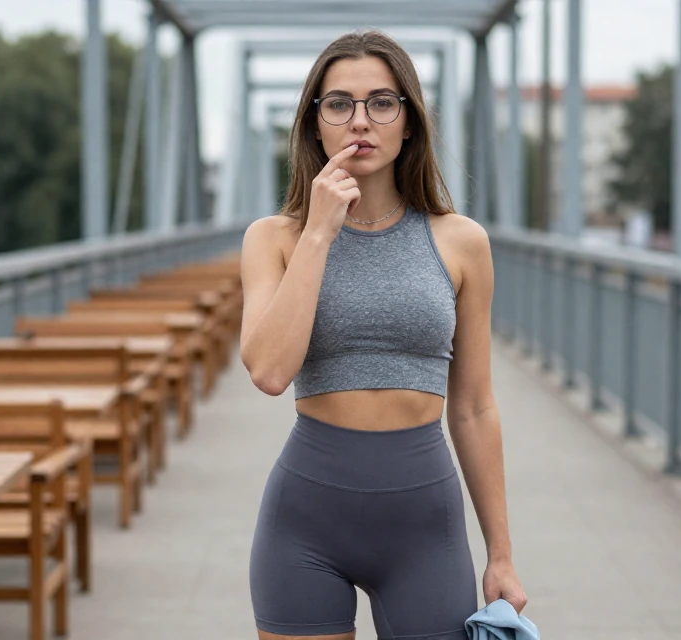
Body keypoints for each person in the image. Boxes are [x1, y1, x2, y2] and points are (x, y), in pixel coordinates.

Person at [239, 29, 528, 640]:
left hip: (425, 524)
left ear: (409, 123)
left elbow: (475, 408)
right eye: (338, 104)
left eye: (382, 102)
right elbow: (267, 371)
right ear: (315, 125)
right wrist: (319, 233)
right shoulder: (275, 238)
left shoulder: (462, 242)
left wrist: (500, 553)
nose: (359, 121)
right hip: (304, 523)